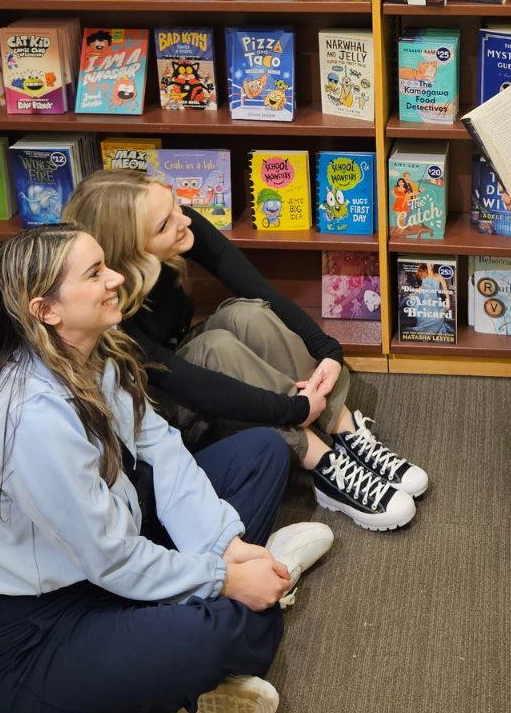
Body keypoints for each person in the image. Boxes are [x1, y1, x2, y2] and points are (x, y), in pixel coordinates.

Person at [0, 224, 336, 713]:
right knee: (222, 633)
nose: (117, 278)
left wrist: (225, 545)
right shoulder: (31, 422)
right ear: (45, 310)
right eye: (95, 273)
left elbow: (160, 446)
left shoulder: (87, 350)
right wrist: (226, 578)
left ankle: (237, 587)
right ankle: (248, 598)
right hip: (38, 636)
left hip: (105, 557)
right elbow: (111, 560)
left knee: (262, 452)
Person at [63, 170, 427, 532]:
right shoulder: (106, 309)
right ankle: (324, 466)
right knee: (213, 348)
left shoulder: (179, 223)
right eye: (162, 225)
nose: (182, 219)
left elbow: (255, 286)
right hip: (153, 410)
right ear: (129, 253)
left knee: (247, 312)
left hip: (181, 369)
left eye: (174, 203)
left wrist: (327, 350)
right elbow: (183, 381)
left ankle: (344, 431)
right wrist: (293, 409)